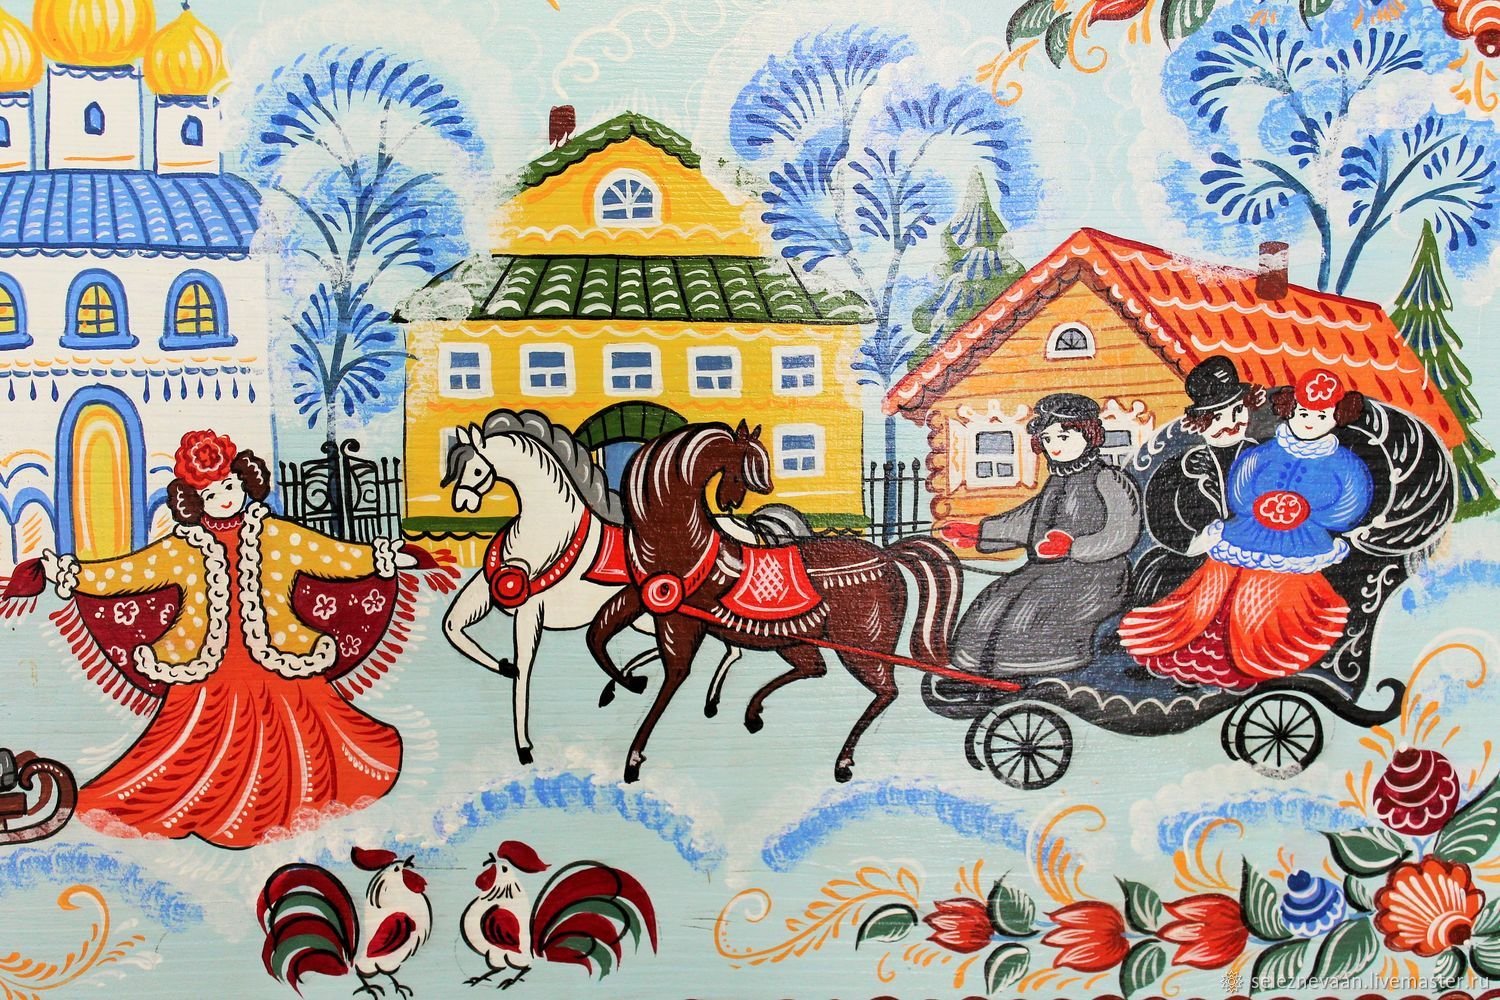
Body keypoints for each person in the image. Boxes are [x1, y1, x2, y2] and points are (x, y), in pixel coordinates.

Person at [7, 430, 450, 848]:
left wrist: (383, 557)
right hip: (207, 669)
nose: (224, 497)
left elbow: (334, 557)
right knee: (188, 750)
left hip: (279, 658)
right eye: (211, 493)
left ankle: (298, 799)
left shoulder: (278, 535)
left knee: (306, 735)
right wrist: (71, 573)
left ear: (245, 484)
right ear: (195, 502)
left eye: (230, 486)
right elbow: (129, 573)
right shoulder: (183, 548)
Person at [1119, 369, 1374, 688]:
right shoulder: (1258, 453)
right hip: (1244, 533)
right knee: (1212, 585)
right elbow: (1239, 491)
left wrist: (1312, 515)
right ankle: (1197, 634)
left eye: (1320, 415)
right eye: (1303, 413)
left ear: (1336, 417)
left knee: (1268, 591)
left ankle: (1256, 648)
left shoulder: (1340, 463)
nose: (1309, 421)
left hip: (1301, 540)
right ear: (1290, 410)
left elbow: (1349, 504)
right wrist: (1202, 537)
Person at [944, 393, 1142, 675]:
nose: (1054, 446)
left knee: (1030, 614)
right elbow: (1027, 518)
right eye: (1048, 439)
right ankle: (977, 673)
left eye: (1063, 437)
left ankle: (1028, 674)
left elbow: (1122, 532)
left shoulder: (1108, 479)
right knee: (993, 603)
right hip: (1048, 570)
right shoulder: (1057, 481)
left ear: (1089, 435)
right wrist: (980, 533)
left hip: (1098, 576)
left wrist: (1073, 547)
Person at [1132, 357, 1266, 605]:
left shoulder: (1263, 457)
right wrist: (1195, 542)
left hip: (1255, 553)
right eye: (1218, 417)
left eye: (1238, 411)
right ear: (1200, 421)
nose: (1231, 424)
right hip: (1197, 559)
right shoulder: (1178, 468)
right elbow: (1160, 514)